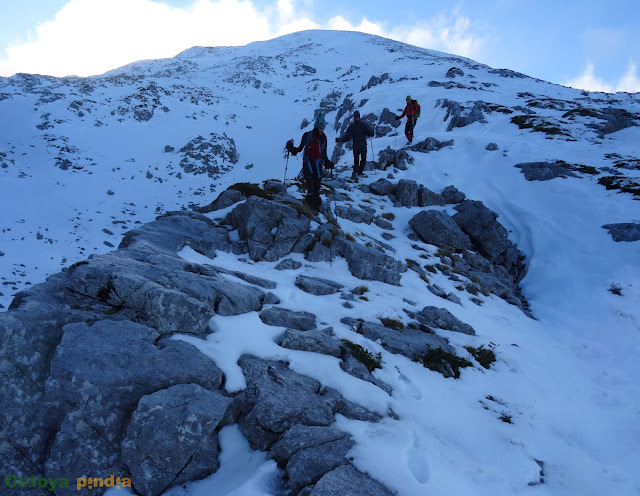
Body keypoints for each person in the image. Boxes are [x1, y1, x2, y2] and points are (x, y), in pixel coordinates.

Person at [286, 112, 334, 212]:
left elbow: (324, 154)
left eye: (323, 128)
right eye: (321, 127)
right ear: (316, 126)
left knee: (317, 189)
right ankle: (308, 209)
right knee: (311, 188)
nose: (322, 130)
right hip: (308, 165)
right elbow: (299, 149)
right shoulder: (307, 135)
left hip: (318, 166)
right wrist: (291, 148)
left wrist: (328, 163)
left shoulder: (323, 138)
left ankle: (313, 210)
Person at [335, 110, 374, 181]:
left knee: (363, 159)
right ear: (354, 118)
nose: (356, 118)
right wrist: (340, 140)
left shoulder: (363, 125)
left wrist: (371, 132)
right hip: (356, 145)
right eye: (355, 117)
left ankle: (360, 172)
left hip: (363, 145)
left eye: (357, 117)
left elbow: (369, 133)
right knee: (356, 160)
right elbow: (347, 137)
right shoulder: (352, 127)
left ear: (359, 117)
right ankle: (355, 172)